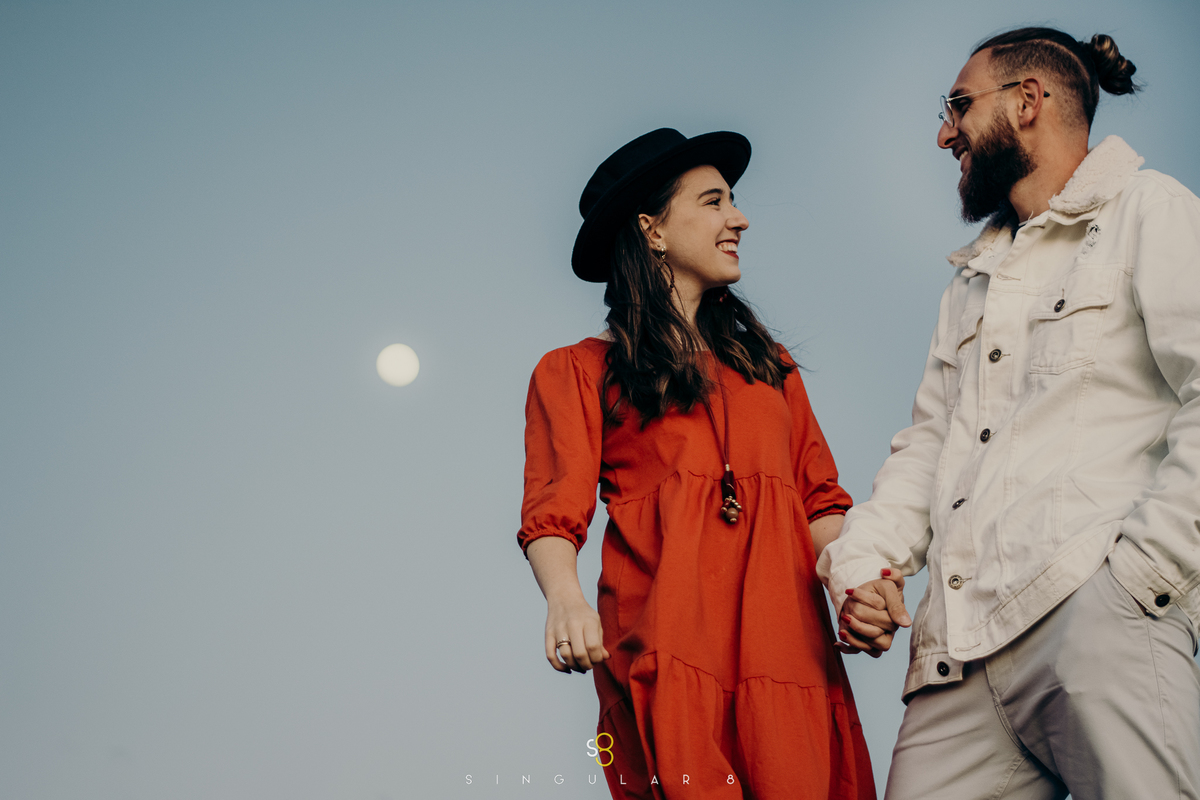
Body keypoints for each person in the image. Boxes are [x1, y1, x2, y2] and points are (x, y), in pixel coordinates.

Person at [819, 26, 1200, 800]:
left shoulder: (1149, 212)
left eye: (958, 106)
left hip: (1097, 621)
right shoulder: (970, 284)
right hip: (956, 662)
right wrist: (864, 569)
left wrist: (1143, 578)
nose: (943, 132)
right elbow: (926, 449)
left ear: (1028, 102)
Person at [518, 128, 875, 799]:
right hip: (665, 651)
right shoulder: (576, 372)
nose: (738, 218)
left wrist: (856, 584)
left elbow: (821, 500)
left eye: (732, 201)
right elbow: (552, 512)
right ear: (652, 231)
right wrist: (564, 600)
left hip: (789, 653)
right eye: (713, 202)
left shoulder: (772, 370)